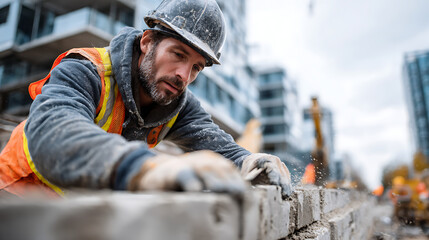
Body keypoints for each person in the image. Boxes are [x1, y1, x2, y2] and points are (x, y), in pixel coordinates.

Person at [0, 0, 292, 198]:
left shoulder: (175, 100)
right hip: (17, 197)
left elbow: (216, 145)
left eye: (196, 68)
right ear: (147, 42)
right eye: (178, 54)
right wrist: (144, 166)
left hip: (79, 211)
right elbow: (53, 133)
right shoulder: (86, 71)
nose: (183, 76)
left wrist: (250, 160)